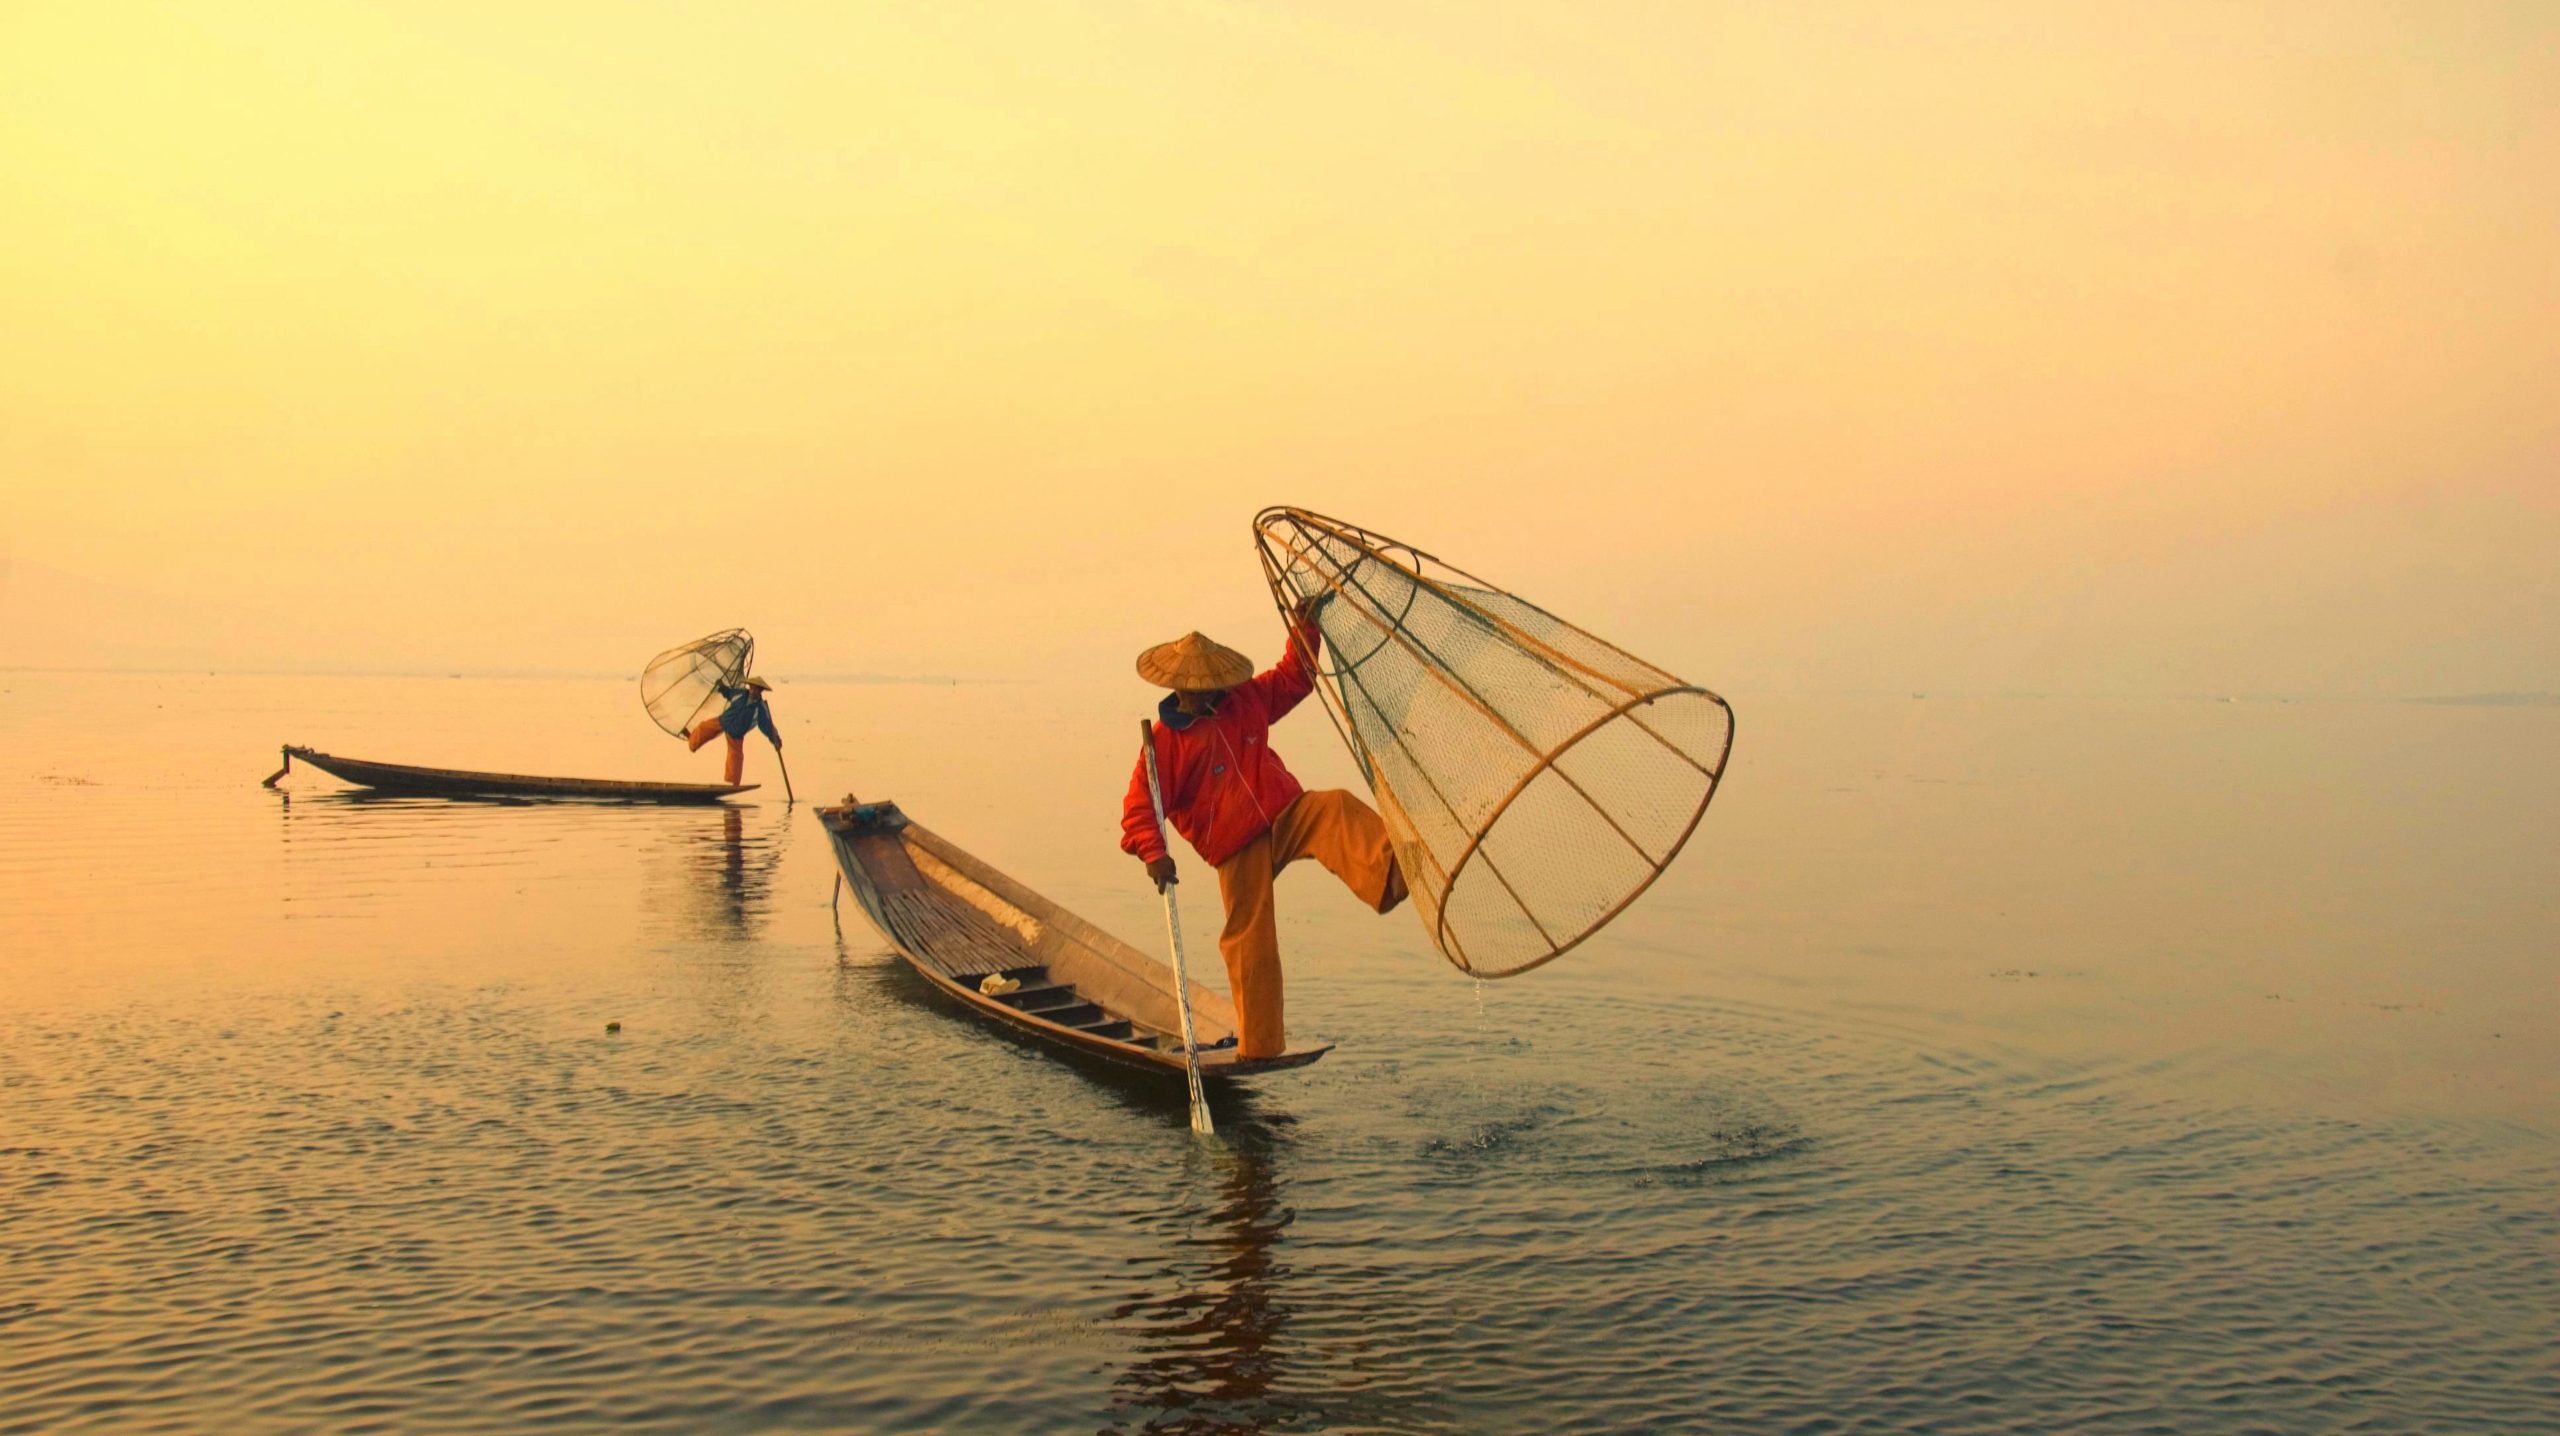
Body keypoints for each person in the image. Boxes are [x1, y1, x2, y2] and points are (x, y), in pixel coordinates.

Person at [1120, 598, 1406, 1059]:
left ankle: (1393, 872)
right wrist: (1154, 854)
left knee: (1333, 806)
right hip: (1235, 845)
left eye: (1200, 687)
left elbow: (1295, 676)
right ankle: (1260, 1046)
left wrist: (1305, 626)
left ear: (1216, 684)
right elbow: (1140, 807)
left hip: (1282, 813)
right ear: (1174, 688)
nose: (1192, 696)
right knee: (1249, 934)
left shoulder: (1246, 699)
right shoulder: (1165, 743)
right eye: (1185, 689)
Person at [686, 675, 780, 785]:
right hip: (723, 721)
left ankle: (733, 783)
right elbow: (728, 693)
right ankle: (691, 740)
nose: (754, 691)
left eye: (757, 689)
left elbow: (766, 726)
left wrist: (775, 739)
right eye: (753, 688)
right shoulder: (740, 694)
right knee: (703, 728)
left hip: (736, 733)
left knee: (735, 757)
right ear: (750, 687)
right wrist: (721, 686)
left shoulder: (760, 708)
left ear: (761, 691)